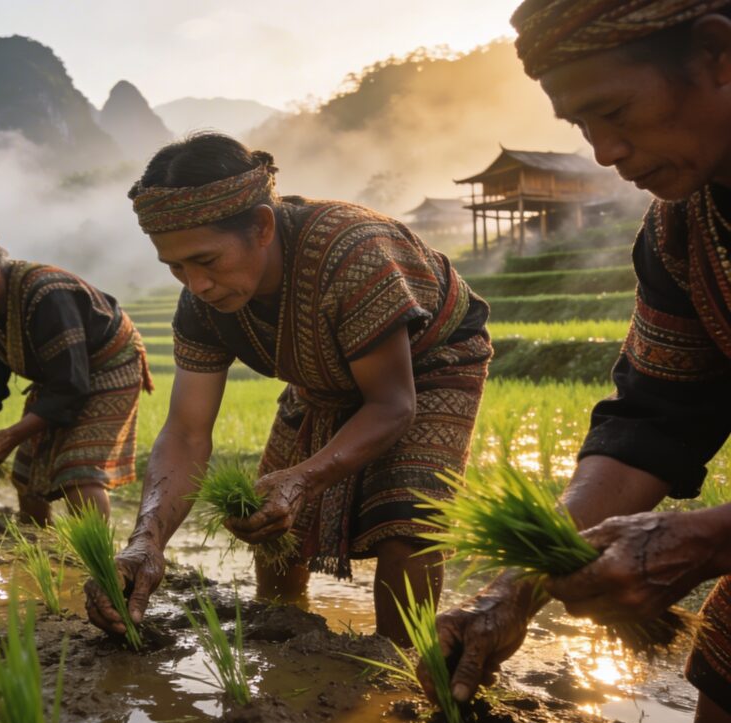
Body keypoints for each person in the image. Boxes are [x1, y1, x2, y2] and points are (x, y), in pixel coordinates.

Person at [425, 1, 731, 723]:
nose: (602, 153)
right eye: (580, 127)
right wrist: (520, 582)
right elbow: (656, 417)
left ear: (717, 53)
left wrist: (709, 539)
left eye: (614, 111)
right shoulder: (683, 231)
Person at [85, 133, 492, 645]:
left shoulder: (354, 252)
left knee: (408, 523)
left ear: (260, 226)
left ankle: (401, 672)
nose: (197, 285)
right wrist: (147, 540)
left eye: (207, 261)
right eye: (176, 268)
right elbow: (187, 432)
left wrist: (303, 477)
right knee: (270, 526)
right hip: (318, 377)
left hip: (428, 363)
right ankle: (285, 641)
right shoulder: (200, 308)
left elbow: (391, 404)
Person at [0, 214, 153, 524]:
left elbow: (71, 385)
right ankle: (41, 550)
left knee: (79, 471)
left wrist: (11, 435)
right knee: (29, 478)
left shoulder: (48, 295)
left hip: (108, 365)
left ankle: (98, 561)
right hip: (60, 378)